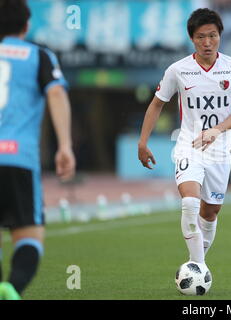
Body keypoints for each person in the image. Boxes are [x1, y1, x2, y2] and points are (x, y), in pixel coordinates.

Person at [138, 8, 231, 265]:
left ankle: (195, 263)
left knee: (210, 212)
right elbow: (157, 104)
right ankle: (198, 268)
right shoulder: (178, 70)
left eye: (212, 35)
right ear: (192, 39)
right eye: (201, 37)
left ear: (220, 35)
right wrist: (143, 141)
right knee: (190, 202)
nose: (207, 42)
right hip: (189, 146)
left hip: (220, 149)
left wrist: (217, 130)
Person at [0, 0, 76, 299]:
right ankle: (12, 288)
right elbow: (56, 92)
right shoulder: (39, 56)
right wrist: (65, 146)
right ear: (26, 25)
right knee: (29, 236)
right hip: (18, 158)